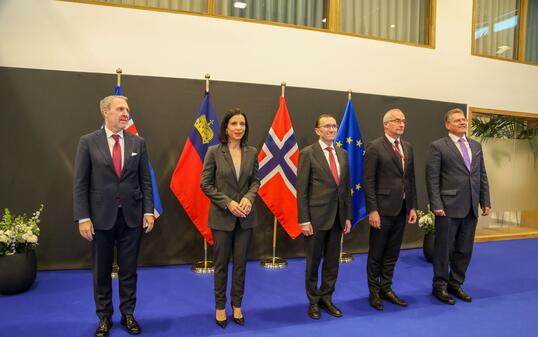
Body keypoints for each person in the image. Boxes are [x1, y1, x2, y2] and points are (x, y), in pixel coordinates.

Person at [73, 95, 155, 337]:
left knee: (129, 270)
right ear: (105, 112)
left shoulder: (138, 142)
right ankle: (104, 317)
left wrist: (148, 211)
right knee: (101, 271)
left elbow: (145, 181)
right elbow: (80, 183)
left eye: (127, 109)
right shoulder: (87, 142)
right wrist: (83, 217)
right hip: (100, 219)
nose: (125, 113)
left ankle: (128, 314)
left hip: (132, 217)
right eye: (120, 109)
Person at [200, 108, 260, 328]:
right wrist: (228, 203)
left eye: (242, 124)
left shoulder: (252, 152)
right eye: (234, 124)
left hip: (246, 217)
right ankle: (219, 307)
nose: (238, 128)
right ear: (226, 127)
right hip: (221, 218)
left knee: (241, 265)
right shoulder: (214, 152)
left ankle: (237, 306)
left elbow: (256, 181)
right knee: (221, 265)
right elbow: (205, 184)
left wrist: (249, 198)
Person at [426, 108, 491, 305]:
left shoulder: (476, 145)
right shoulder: (438, 146)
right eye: (457, 120)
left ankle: (456, 283)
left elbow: (481, 175)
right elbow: (432, 178)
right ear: (447, 125)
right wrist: (436, 204)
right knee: (444, 250)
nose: (462, 122)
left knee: (464, 249)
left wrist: (485, 201)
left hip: (470, 207)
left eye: (463, 120)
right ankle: (440, 287)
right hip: (447, 207)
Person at [297, 113, 352, 320]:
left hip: (338, 218)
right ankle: (313, 301)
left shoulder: (343, 153)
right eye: (327, 126)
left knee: (332, 262)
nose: (331, 129)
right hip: (316, 218)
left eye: (334, 126)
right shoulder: (307, 153)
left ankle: (327, 298)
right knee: (313, 262)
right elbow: (301, 190)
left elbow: (345, 188)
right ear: (317, 130)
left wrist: (347, 216)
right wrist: (304, 220)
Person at [363, 108, 418, 311]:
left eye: (403, 120)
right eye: (396, 120)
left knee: (392, 253)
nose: (401, 124)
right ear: (386, 124)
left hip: (402, 209)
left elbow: (410, 179)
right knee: (376, 254)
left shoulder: (408, 147)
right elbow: (368, 181)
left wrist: (412, 206)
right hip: (382, 210)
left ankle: (386, 288)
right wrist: (372, 210)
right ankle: (374, 292)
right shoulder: (375, 147)